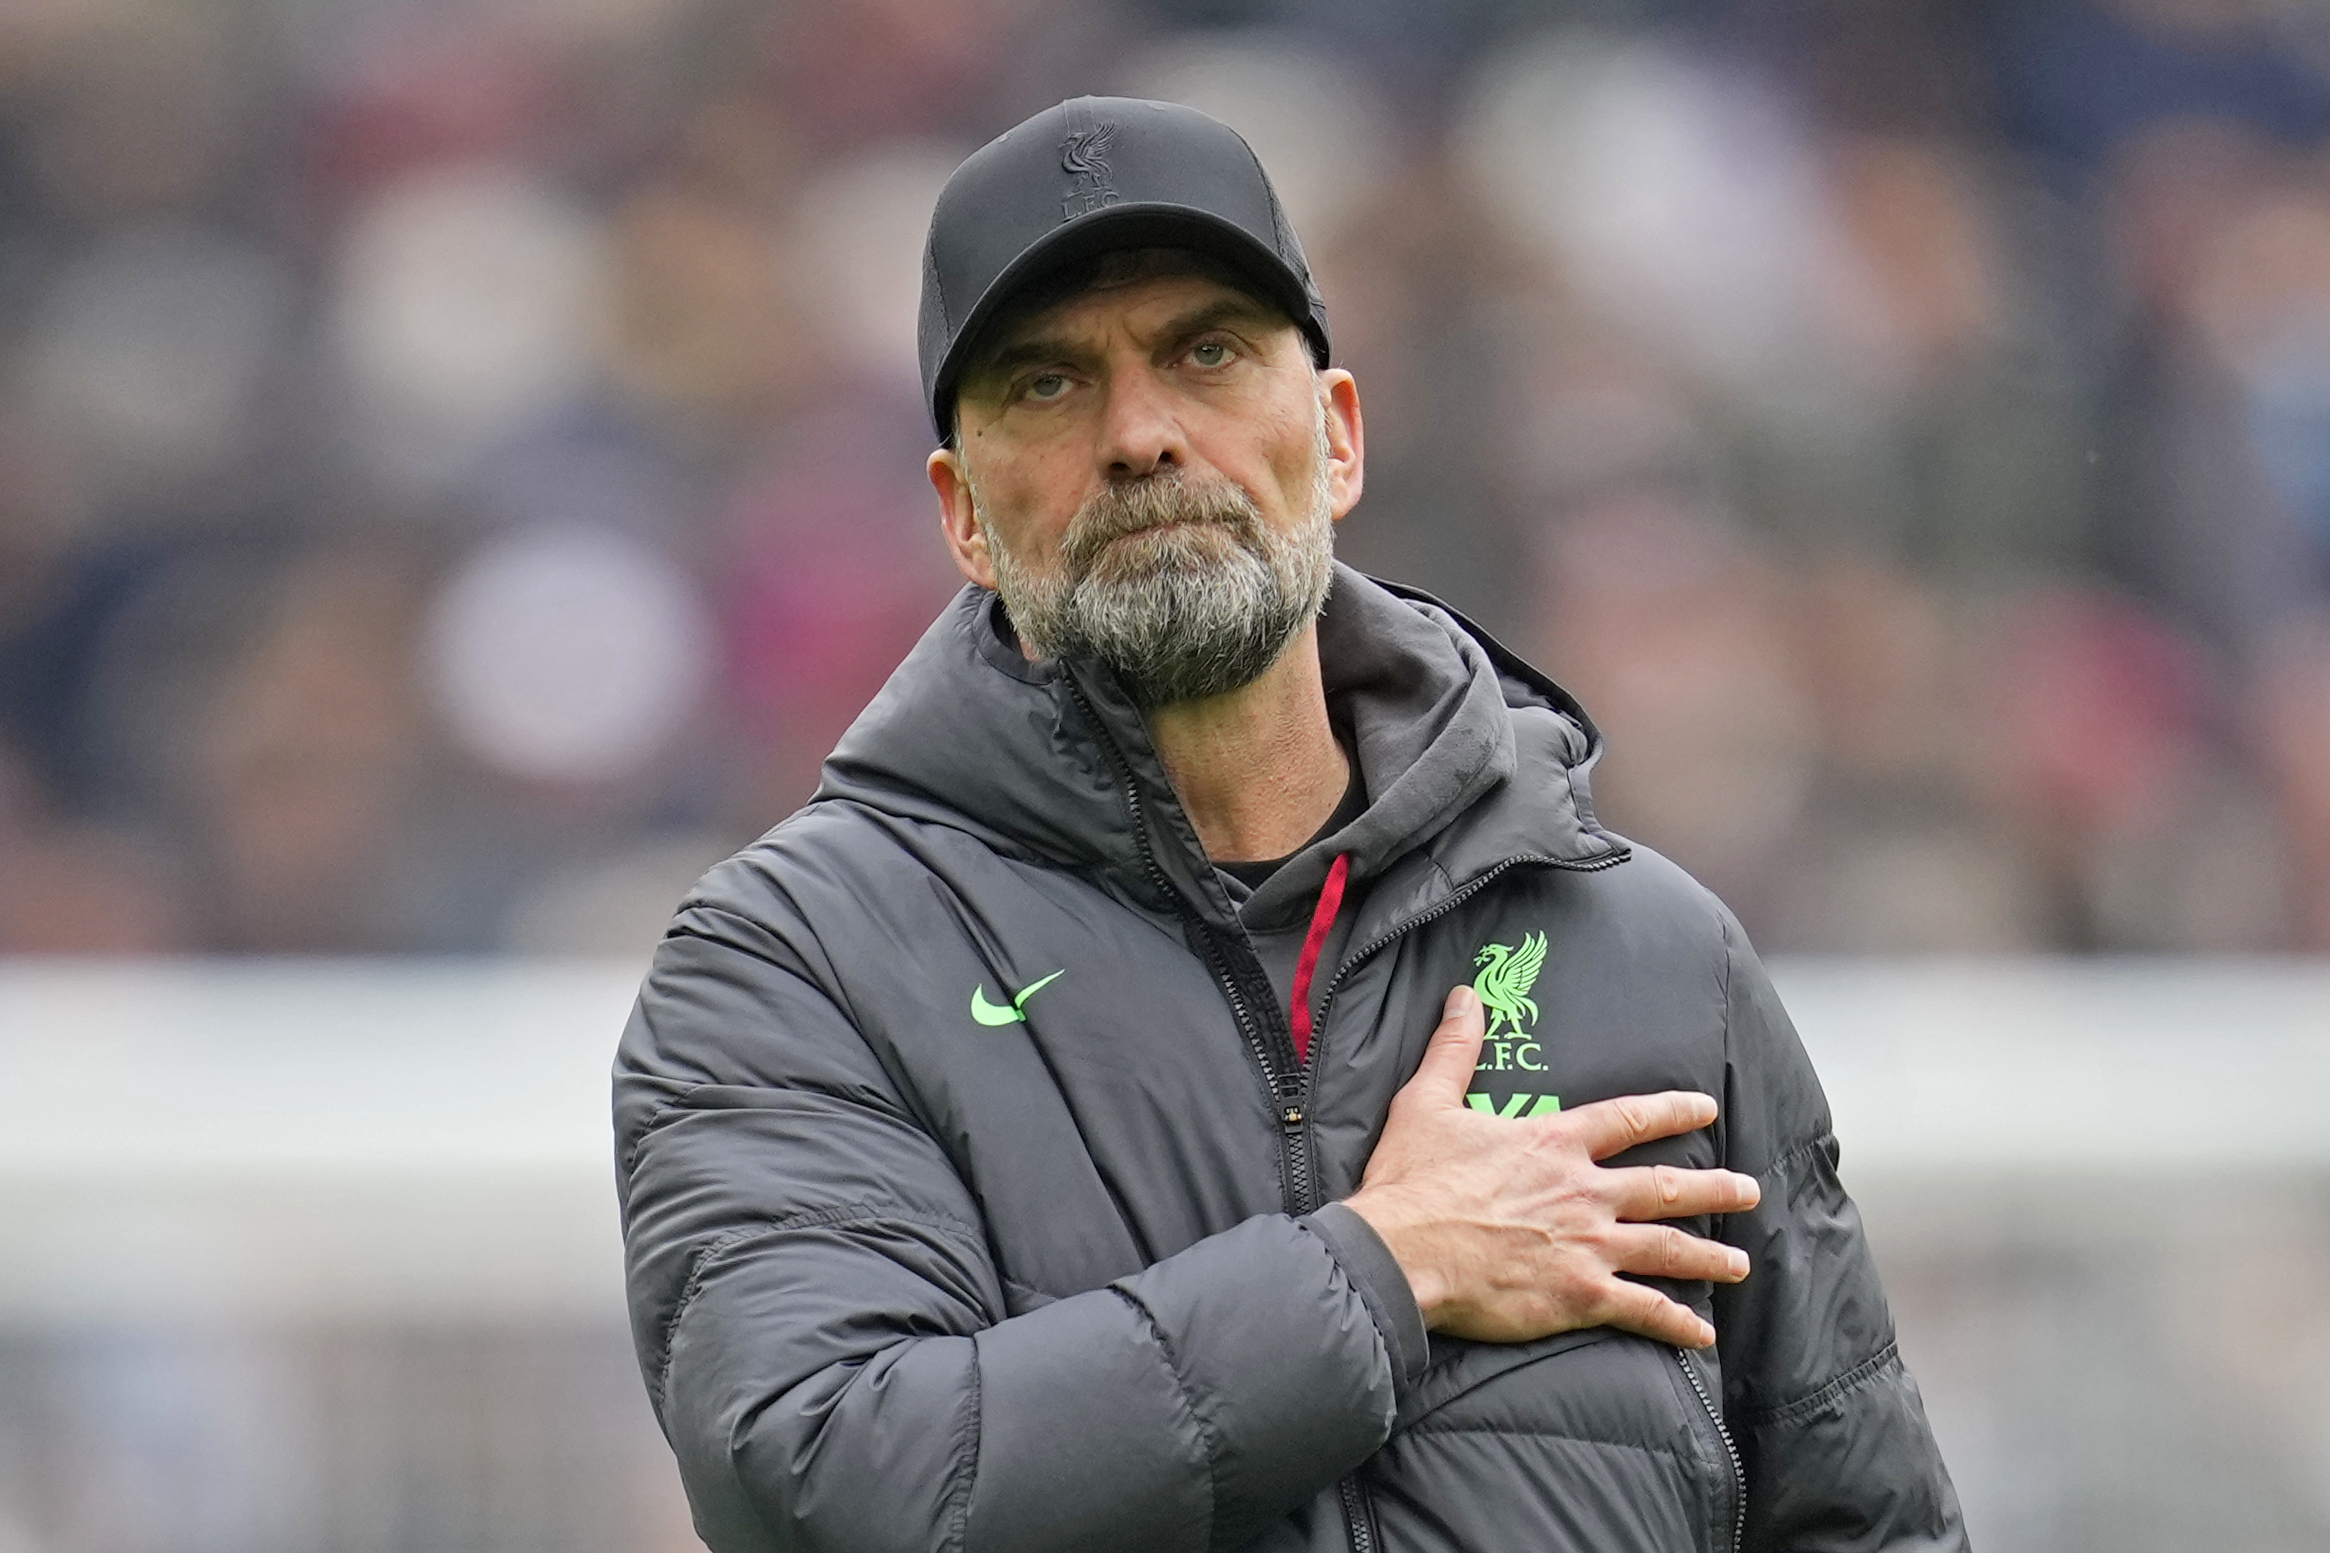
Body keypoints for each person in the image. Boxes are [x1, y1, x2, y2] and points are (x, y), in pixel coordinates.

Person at [614, 96, 1966, 1553]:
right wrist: (1383, 1271)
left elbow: (1862, 1522)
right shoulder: (793, 966)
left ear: (1333, 436)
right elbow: (826, 1487)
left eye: (1206, 352)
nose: (1139, 433)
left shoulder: (1645, 950)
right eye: (1047, 385)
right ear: (961, 514)